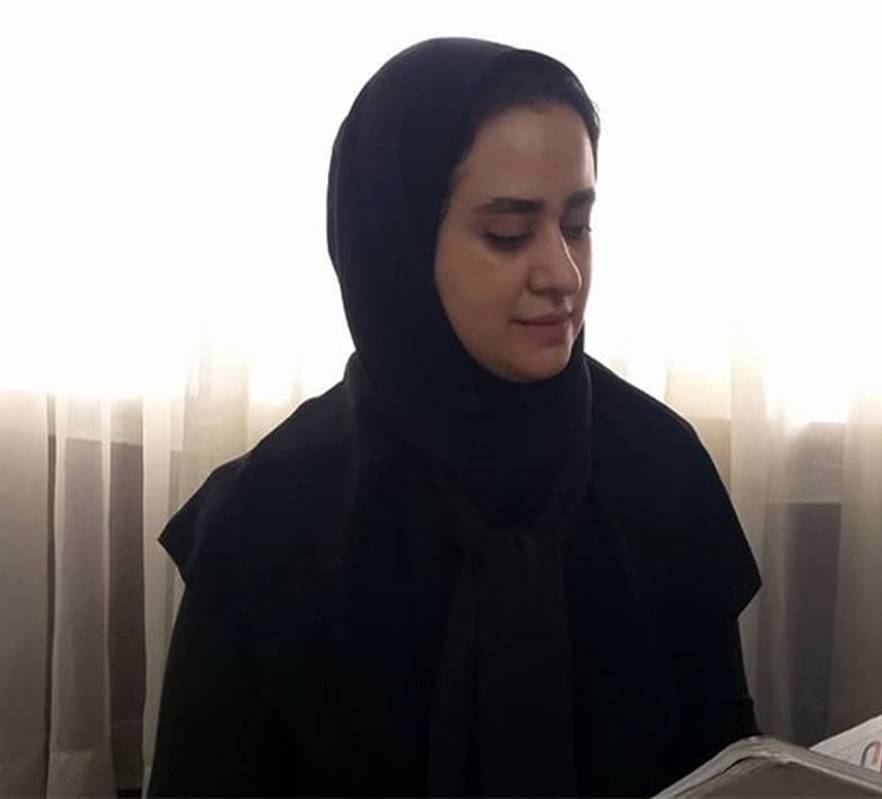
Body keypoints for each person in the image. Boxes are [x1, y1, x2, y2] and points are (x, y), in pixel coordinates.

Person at [147, 36, 761, 797]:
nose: (563, 274)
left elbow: (732, 768)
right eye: (509, 234)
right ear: (398, 245)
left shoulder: (660, 469)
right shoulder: (269, 521)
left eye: (577, 224)